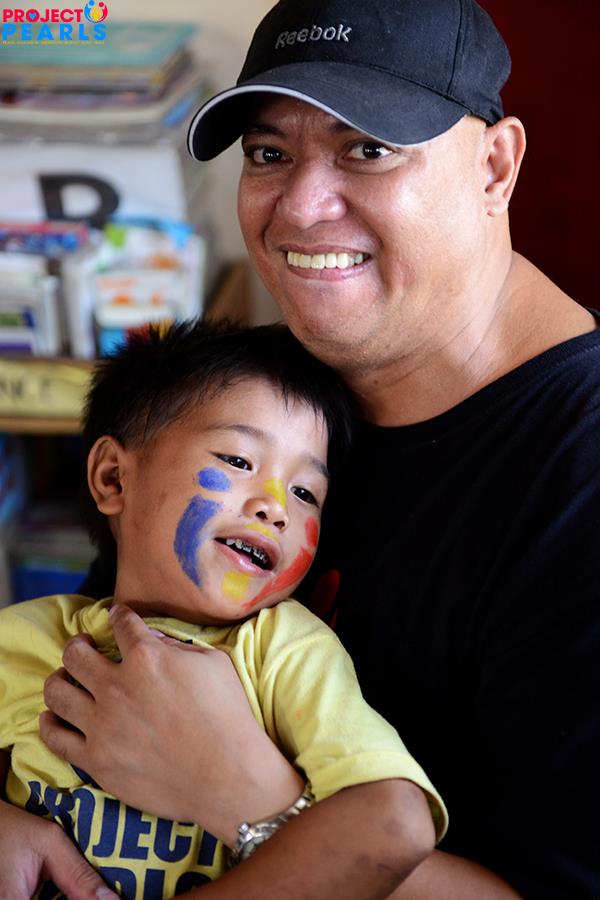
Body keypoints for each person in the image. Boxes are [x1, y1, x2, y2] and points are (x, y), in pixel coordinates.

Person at [5, 0, 600, 897]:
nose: (300, 208)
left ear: (495, 166)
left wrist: (253, 802)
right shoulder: (266, 397)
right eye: (268, 154)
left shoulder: (578, 481)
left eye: (369, 147)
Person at [0, 320, 447, 900]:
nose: (276, 507)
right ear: (113, 477)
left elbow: (396, 825)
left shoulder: (284, 652)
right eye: (238, 460)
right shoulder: (31, 639)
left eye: (306, 493)